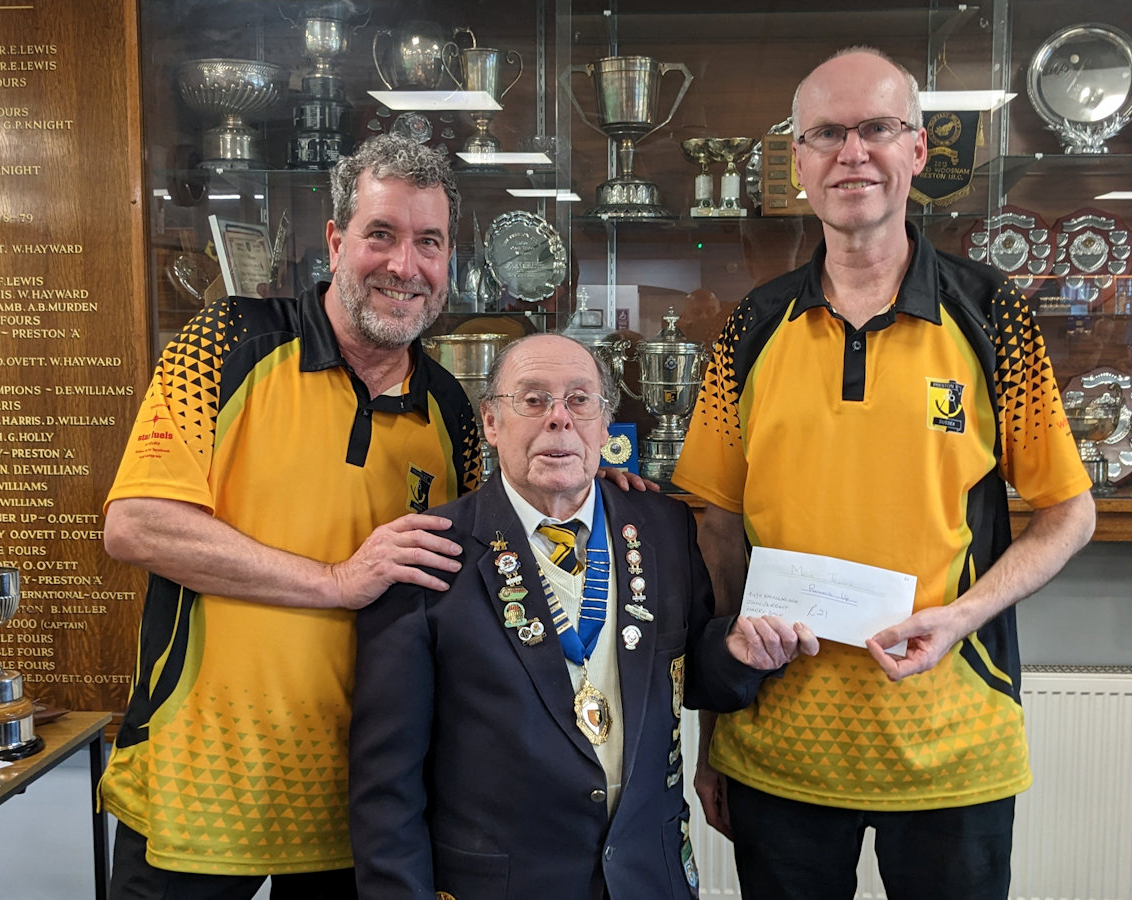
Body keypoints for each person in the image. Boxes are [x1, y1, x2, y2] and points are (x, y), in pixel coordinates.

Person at [671, 47, 1097, 900]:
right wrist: (716, 725)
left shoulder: (994, 315)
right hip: (781, 752)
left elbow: (1069, 512)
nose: (852, 153)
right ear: (798, 163)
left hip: (953, 744)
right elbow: (716, 527)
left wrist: (961, 618)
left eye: (876, 128)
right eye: (826, 134)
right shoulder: (751, 327)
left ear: (917, 149)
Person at [98, 135, 483, 899]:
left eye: (428, 242)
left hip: (361, 809)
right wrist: (336, 581)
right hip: (197, 793)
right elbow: (137, 523)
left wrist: (593, 481)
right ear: (336, 242)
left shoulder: (451, 412)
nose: (405, 265)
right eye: (381, 234)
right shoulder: (226, 342)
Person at [349, 333, 818, 900]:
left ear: (604, 424)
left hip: (649, 879)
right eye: (533, 399)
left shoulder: (663, 528)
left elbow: (690, 675)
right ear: (491, 421)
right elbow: (386, 786)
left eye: (579, 399)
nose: (559, 418)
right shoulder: (426, 555)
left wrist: (737, 653)